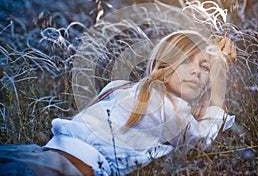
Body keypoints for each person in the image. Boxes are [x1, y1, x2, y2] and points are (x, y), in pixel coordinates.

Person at [0, 30, 236, 176]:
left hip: (37, 155)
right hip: (56, 168)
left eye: (205, 68)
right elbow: (202, 141)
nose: (196, 72)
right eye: (186, 61)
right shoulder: (167, 107)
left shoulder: (119, 87)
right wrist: (219, 77)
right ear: (164, 65)